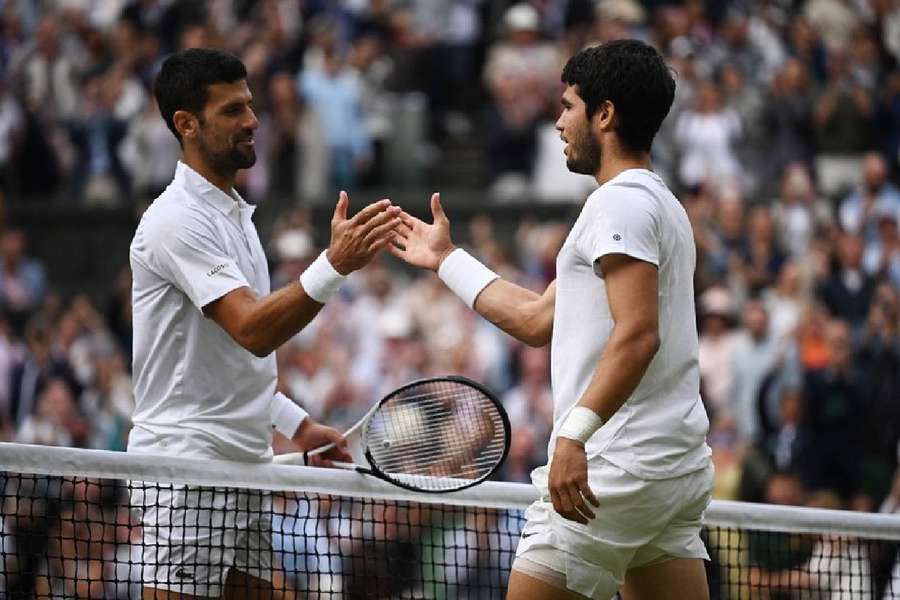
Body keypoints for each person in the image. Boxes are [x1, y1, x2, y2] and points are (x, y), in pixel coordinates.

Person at [391, 40, 713, 599]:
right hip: (669, 475)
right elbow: (538, 319)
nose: (559, 121)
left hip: (613, 468)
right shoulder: (655, 204)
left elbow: (638, 335)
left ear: (604, 114)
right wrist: (447, 260)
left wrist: (573, 436)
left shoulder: (620, 204)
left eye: (568, 106)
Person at [128, 48, 400, 599]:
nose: (253, 121)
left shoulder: (233, 213)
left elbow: (233, 359)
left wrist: (296, 424)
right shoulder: (175, 221)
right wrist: (335, 264)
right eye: (232, 111)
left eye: (250, 106)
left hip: (243, 464)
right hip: (188, 474)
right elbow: (253, 329)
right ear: (186, 125)